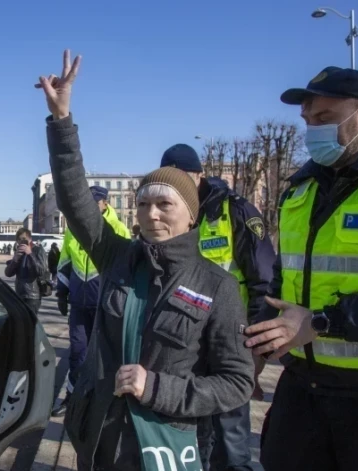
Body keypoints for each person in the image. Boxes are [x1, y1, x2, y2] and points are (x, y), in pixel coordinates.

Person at [37, 49, 254, 470]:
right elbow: (75, 199)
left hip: (167, 442)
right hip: (102, 437)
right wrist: (62, 122)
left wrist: (157, 387)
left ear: (190, 214)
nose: (150, 214)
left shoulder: (217, 286)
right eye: (143, 204)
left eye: (164, 205)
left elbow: (236, 382)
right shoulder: (118, 256)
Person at [245, 66, 358, 471]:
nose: (313, 130)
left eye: (326, 119)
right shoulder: (299, 189)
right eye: (308, 121)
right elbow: (282, 281)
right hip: (301, 388)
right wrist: (258, 351)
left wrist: (324, 322)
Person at [160, 144, 276, 471]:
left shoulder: (234, 212)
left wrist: (255, 354)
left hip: (231, 342)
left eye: (182, 178)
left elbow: (263, 283)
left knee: (231, 439)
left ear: (199, 175)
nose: (176, 187)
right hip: (184, 343)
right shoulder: (169, 216)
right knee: (191, 436)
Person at [51, 185, 130, 417]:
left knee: (106, 356)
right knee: (77, 352)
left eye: (95, 203)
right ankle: (73, 399)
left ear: (105, 203)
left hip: (104, 305)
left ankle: (103, 404)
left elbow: (124, 270)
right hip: (78, 303)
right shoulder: (73, 229)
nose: (91, 207)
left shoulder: (119, 229)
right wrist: (62, 293)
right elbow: (65, 262)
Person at [5, 227, 47, 315]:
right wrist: (15, 259)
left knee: (30, 324)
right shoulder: (18, 252)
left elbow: (41, 270)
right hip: (19, 294)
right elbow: (8, 273)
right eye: (19, 239)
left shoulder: (38, 250)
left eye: (24, 239)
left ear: (30, 239)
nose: (21, 241)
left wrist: (30, 254)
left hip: (32, 295)